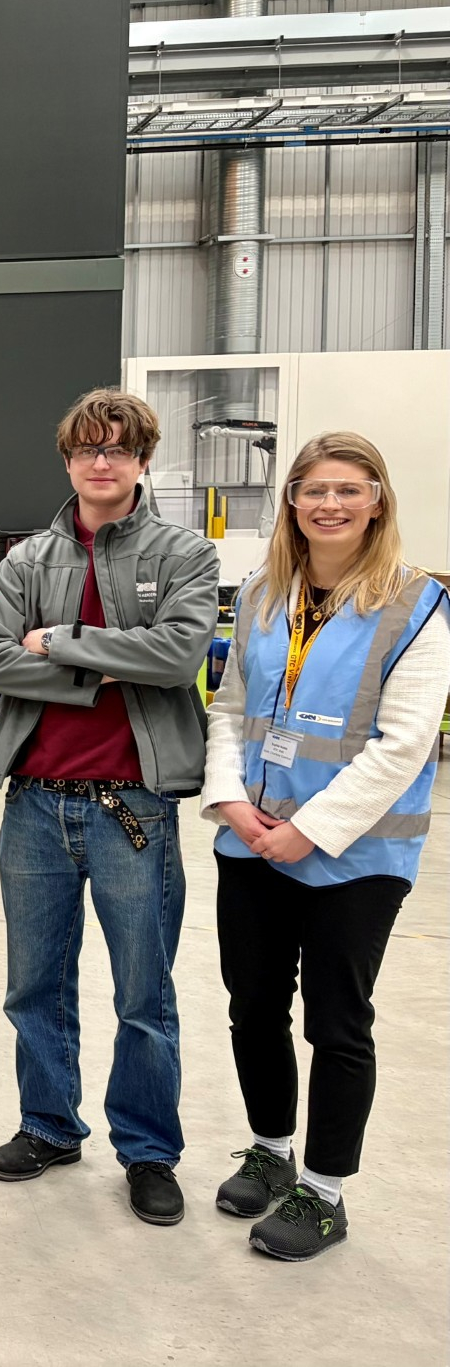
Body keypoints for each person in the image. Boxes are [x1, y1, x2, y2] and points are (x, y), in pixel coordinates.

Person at [201, 433, 448, 1262]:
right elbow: (232, 706)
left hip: (355, 855)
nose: (330, 504)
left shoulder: (418, 603)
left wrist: (308, 829)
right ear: (292, 502)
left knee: (337, 1023)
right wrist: (232, 802)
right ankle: (272, 1152)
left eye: (350, 489)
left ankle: (327, 1193)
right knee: (253, 1005)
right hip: (254, 840)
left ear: (378, 500)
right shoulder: (267, 591)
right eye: (314, 489)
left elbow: (405, 741)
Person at [0, 389, 219, 1227]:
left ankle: (149, 1150)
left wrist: (62, 642)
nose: (102, 461)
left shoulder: (184, 552)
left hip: (134, 807)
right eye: (88, 449)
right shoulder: (28, 559)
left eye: (119, 448)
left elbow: (180, 653)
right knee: (34, 983)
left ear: (143, 458)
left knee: (142, 993)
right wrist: (108, 668)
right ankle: (47, 1124)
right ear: (69, 458)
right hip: (36, 802)